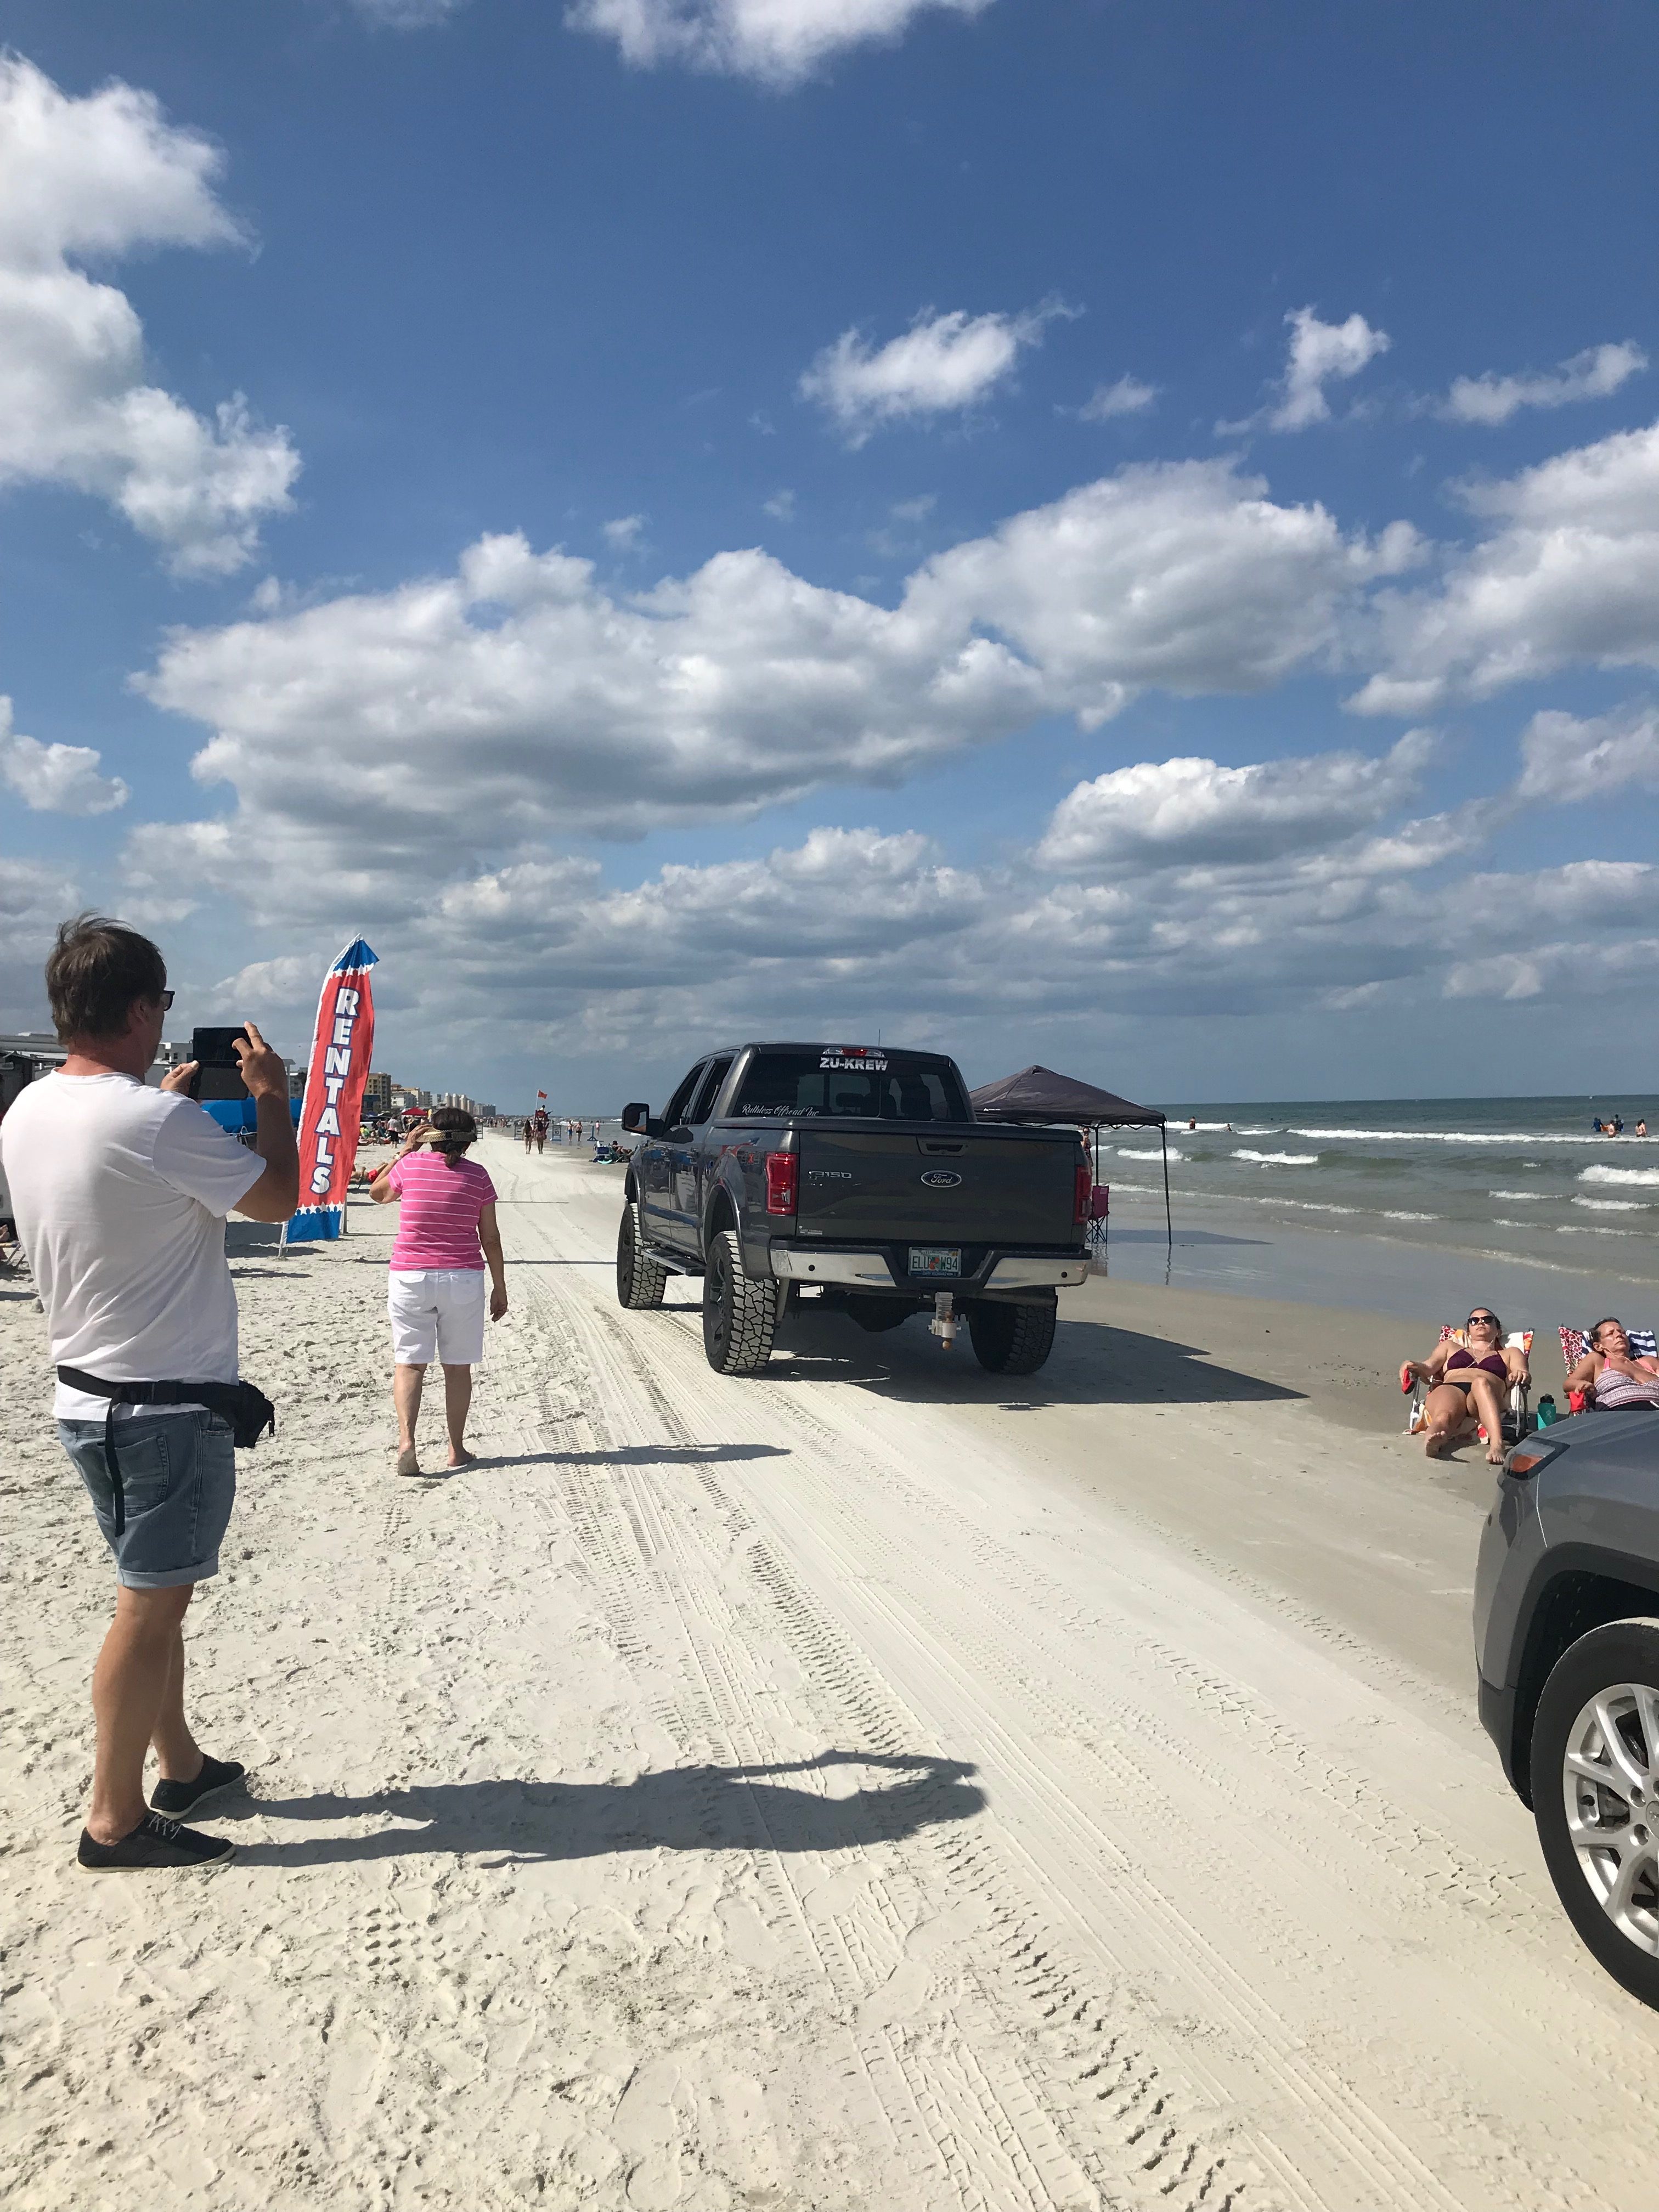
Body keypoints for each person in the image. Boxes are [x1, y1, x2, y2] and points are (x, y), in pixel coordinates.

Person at [0, 917, 298, 1870]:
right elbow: (279, 1199)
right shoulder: (156, 1123)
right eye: (162, 1004)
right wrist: (273, 1098)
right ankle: (114, 1817)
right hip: (163, 1409)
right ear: (139, 1009)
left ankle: (183, 1764)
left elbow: (117, 1194)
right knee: (149, 1610)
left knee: (153, 1594)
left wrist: (162, 1110)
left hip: (86, 1398)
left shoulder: (30, 1110)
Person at [369, 1107, 506, 1476]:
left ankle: (407, 1442)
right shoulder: (478, 1176)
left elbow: (378, 1194)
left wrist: (404, 1151)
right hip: (462, 1279)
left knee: (410, 1363)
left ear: (431, 1137)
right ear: (469, 1142)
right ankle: (456, 1449)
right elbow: (490, 1237)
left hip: (410, 1277)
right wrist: (500, 1286)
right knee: (457, 1369)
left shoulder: (410, 1166)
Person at [1401, 1308, 1528, 1465]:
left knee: (1480, 1383)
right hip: (1452, 1388)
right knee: (1444, 1416)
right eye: (1474, 1321)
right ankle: (1432, 1442)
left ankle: (1497, 1445)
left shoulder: (1510, 1353)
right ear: (1468, 1332)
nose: (1480, 1323)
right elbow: (1428, 1367)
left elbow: (1523, 1372)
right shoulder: (1450, 1347)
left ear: (1498, 1331)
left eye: (1487, 1320)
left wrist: (1521, 1374)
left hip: (1485, 1394)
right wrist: (1410, 1364)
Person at [1566, 1319, 1659, 1411]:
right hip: (1617, 1415)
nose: (1619, 1335)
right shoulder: (1597, 1361)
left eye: (1622, 1332)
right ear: (1598, 1346)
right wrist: (1583, 1385)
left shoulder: (1649, 1361)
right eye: (1610, 1333)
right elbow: (1568, 1384)